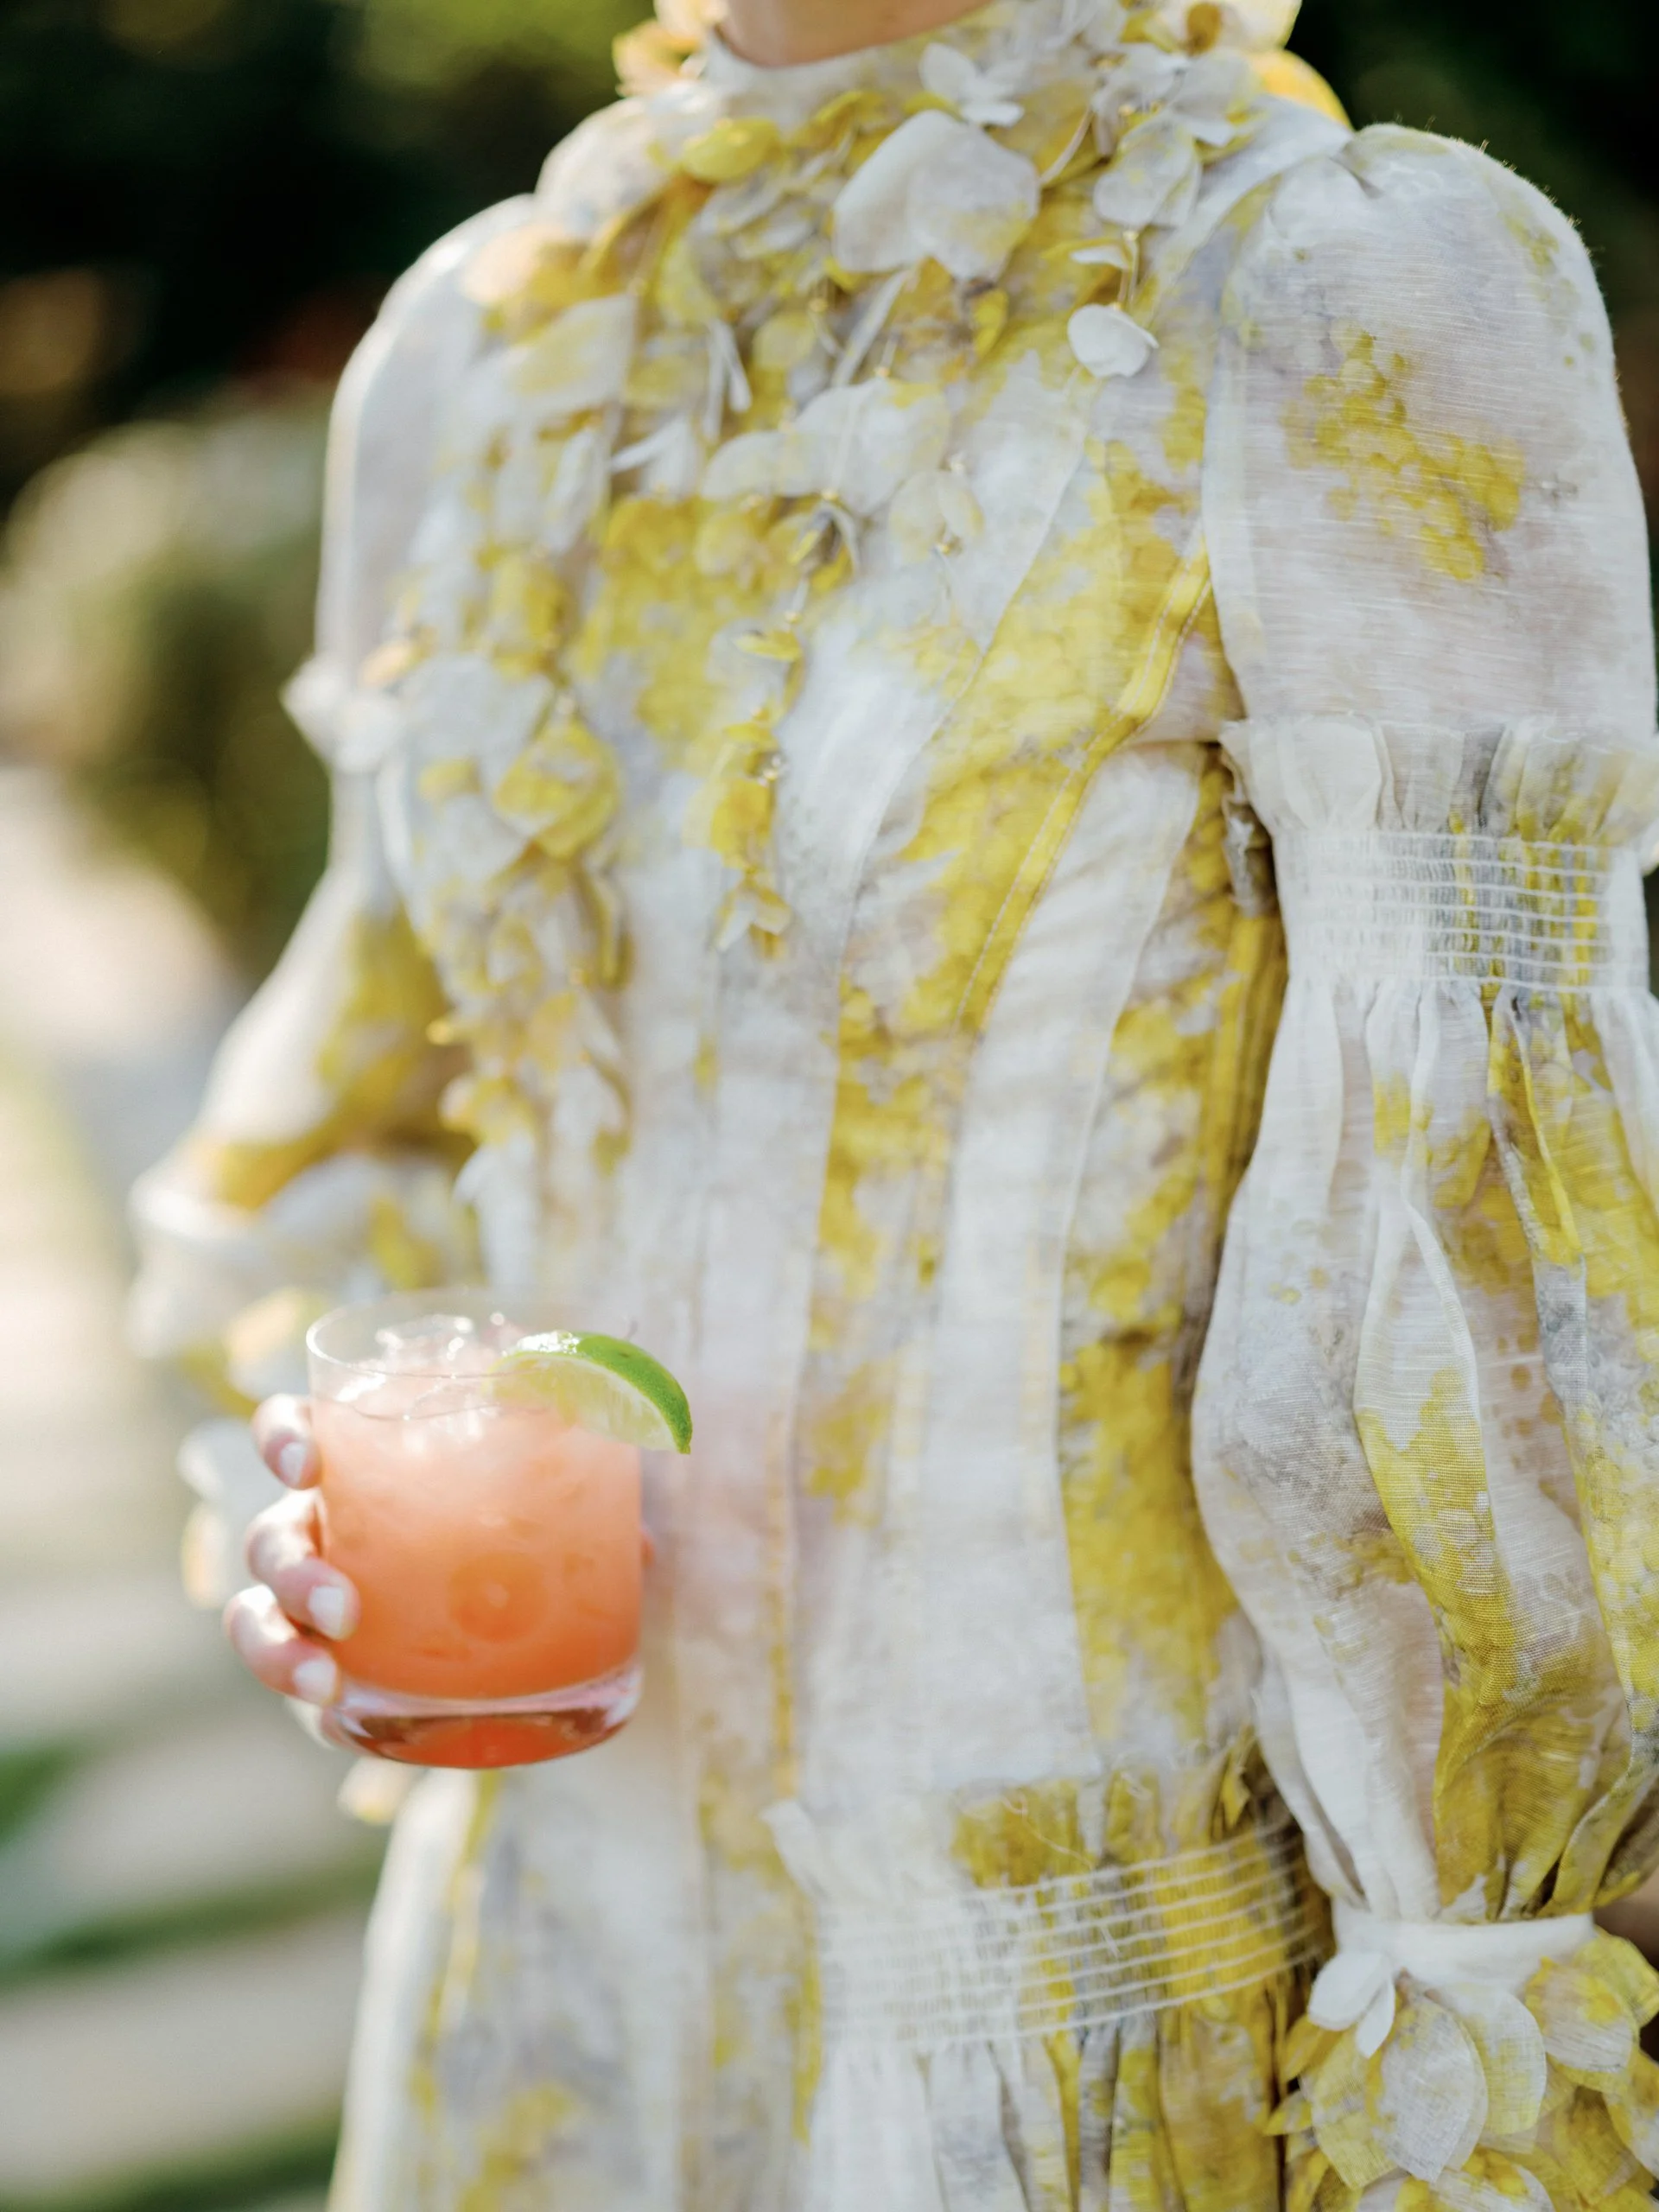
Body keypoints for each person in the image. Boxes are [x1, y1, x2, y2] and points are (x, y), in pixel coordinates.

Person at [130, 0, 1659, 2202]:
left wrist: (1468, 1992)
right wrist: (348, 1515)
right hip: (543, 1995)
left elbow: (1494, 1277)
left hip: (1064, 2045)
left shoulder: (1331, 280)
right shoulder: (480, 344)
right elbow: (354, 1123)